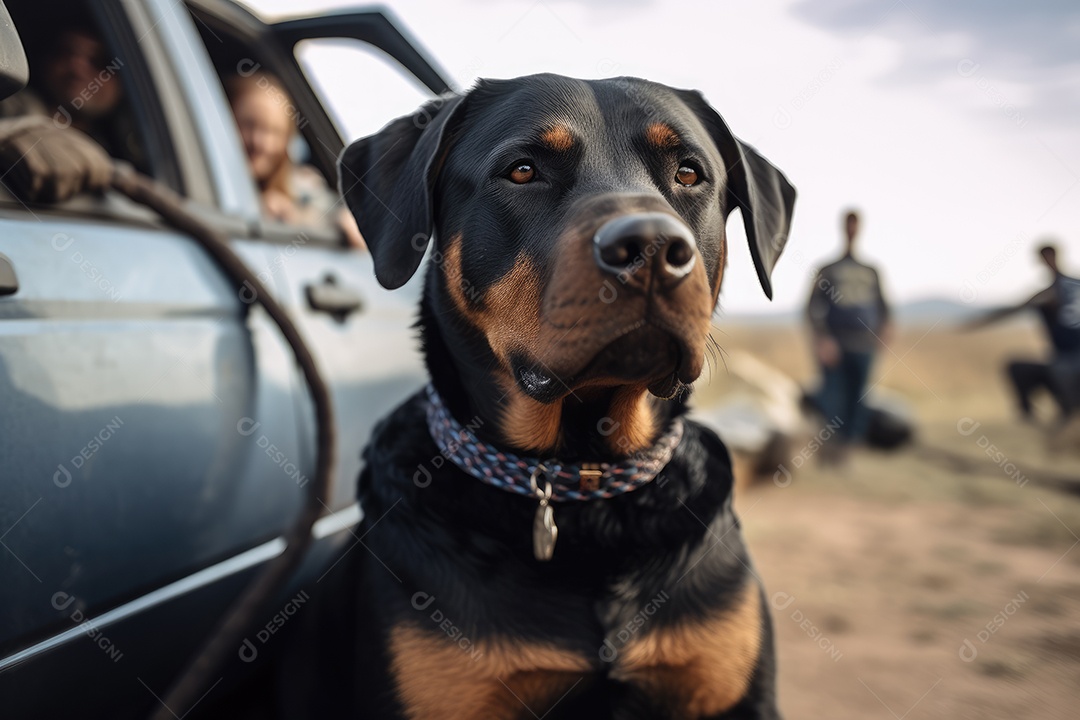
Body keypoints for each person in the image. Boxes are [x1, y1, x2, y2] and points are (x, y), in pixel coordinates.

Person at [224, 72, 363, 248]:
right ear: (223, 119)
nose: (260, 142)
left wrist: (297, 218)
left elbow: (341, 213)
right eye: (248, 124)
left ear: (287, 140)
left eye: (274, 131)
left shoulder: (302, 187)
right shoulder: (203, 180)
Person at [0, 23, 147, 173]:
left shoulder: (131, 153)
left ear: (125, 84)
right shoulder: (8, 107)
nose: (77, 66)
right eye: (65, 52)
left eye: (99, 61)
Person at [806, 209, 892, 450]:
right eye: (848, 224)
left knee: (860, 396)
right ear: (843, 227)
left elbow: (883, 306)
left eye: (855, 224)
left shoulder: (870, 271)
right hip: (835, 343)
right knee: (833, 397)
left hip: (864, 343)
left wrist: (885, 330)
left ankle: (852, 446)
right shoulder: (828, 269)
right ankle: (830, 446)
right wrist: (822, 339)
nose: (852, 229)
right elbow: (812, 308)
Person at [966, 243, 1080, 422]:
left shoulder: (1069, 289)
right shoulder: (1048, 293)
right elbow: (1014, 309)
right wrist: (977, 323)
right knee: (1019, 368)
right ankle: (1037, 419)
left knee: (1063, 373)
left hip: (1069, 364)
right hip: (1060, 360)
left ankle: (1068, 415)